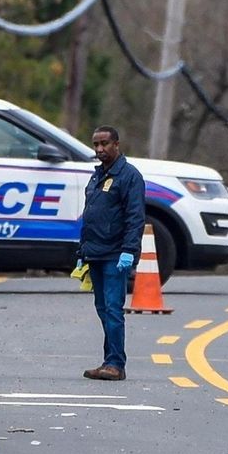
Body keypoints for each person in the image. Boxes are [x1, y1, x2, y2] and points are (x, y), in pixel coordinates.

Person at [78, 126, 145, 381]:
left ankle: (116, 363)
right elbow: (90, 216)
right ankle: (109, 360)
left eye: (104, 143)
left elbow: (135, 217)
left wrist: (129, 250)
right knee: (103, 308)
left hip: (115, 253)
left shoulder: (129, 176)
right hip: (95, 252)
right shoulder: (97, 176)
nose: (100, 149)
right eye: (96, 144)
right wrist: (82, 251)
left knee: (113, 309)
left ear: (116, 144)